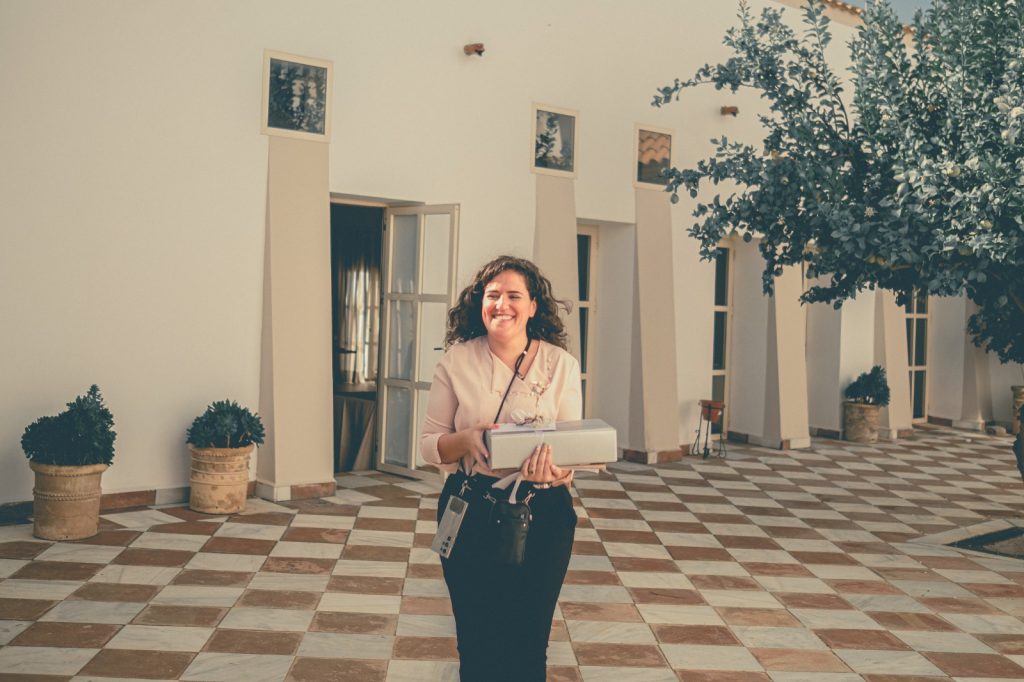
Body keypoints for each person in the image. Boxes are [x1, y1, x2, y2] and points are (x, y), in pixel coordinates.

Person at [420, 255, 581, 682]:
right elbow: (428, 446)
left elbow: (571, 451)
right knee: (476, 641)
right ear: (480, 304)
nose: (501, 304)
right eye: (493, 295)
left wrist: (557, 473)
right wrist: (467, 439)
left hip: (543, 515)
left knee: (529, 643)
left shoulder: (562, 366)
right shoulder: (455, 361)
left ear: (533, 306)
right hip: (469, 509)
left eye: (514, 296)